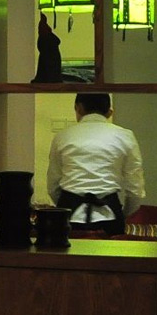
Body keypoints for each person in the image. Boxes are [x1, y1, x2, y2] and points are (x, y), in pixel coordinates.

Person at [47, 93, 144, 235]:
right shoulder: (125, 136)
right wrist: (123, 214)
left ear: (78, 108)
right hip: (110, 214)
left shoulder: (62, 136)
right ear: (109, 112)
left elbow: (53, 185)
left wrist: (64, 207)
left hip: (68, 214)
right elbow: (135, 190)